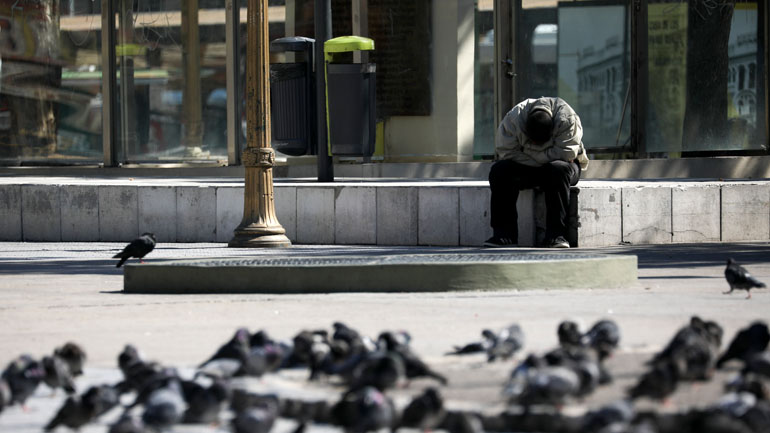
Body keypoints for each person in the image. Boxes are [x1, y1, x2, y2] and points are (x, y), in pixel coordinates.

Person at [485, 97, 589, 248]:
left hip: (558, 169)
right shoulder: (514, 119)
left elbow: (566, 154)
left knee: (558, 169)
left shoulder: (567, 118)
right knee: (499, 170)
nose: (536, 145)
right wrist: (544, 160)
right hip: (533, 167)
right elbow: (505, 151)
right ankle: (504, 235)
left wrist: (528, 155)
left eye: (541, 143)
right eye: (532, 142)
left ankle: (556, 235)